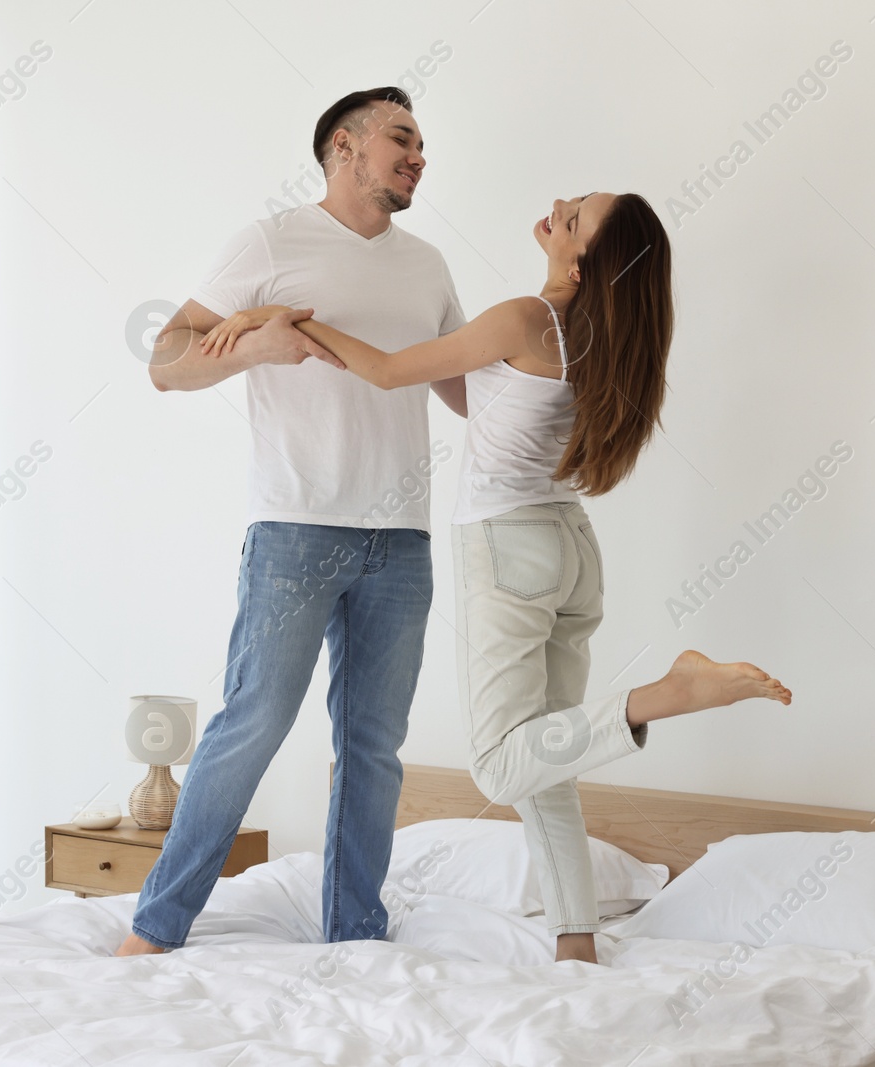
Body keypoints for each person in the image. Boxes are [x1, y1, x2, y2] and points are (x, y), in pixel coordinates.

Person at [200, 191, 793, 963]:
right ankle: (575, 938)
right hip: (572, 550)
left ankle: (666, 694)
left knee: (499, 759)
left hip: (508, 548)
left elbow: (382, 372)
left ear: (581, 261)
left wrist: (277, 318)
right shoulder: (605, 340)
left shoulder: (524, 320)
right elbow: (466, 392)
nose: (560, 205)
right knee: (548, 754)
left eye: (575, 216)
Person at [117, 87, 467, 956]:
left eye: (423, 142)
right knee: (254, 721)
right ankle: (157, 926)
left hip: (403, 541)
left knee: (375, 746)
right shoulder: (272, 241)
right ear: (343, 148)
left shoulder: (426, 265)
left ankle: (355, 929)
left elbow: (462, 389)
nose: (418, 154)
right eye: (402, 138)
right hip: (296, 528)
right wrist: (258, 347)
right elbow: (165, 363)